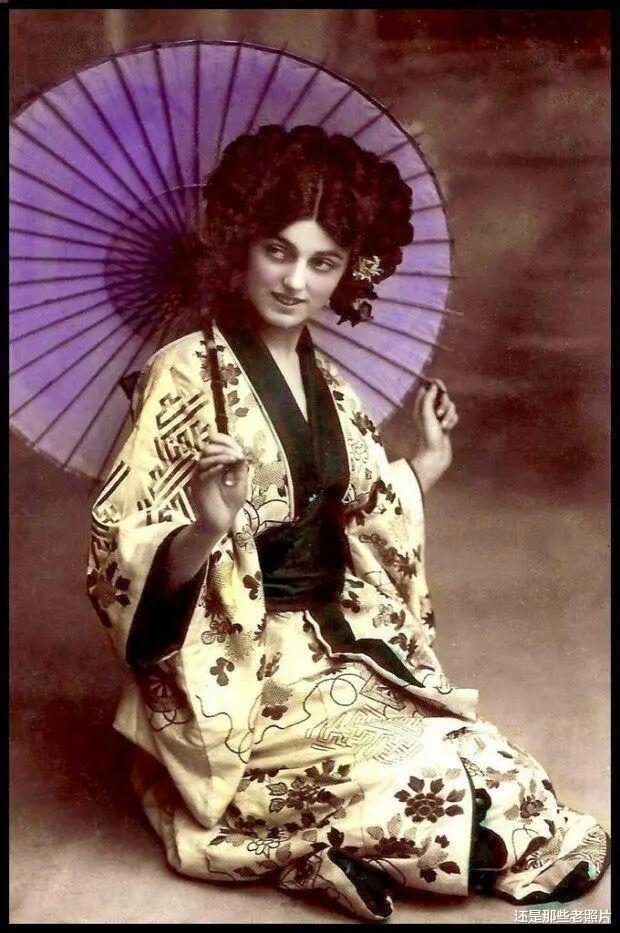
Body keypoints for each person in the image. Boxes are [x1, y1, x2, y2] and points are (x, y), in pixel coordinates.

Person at [88, 125, 609, 922]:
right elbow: (121, 556)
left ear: (348, 273)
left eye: (322, 262)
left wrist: (426, 463)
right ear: (242, 244)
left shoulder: (328, 383)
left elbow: (362, 514)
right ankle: (297, 842)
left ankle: (328, 846)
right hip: (242, 676)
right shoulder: (185, 375)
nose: (295, 280)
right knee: (423, 795)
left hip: (337, 653)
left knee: (493, 768)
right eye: (278, 251)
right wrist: (206, 526)